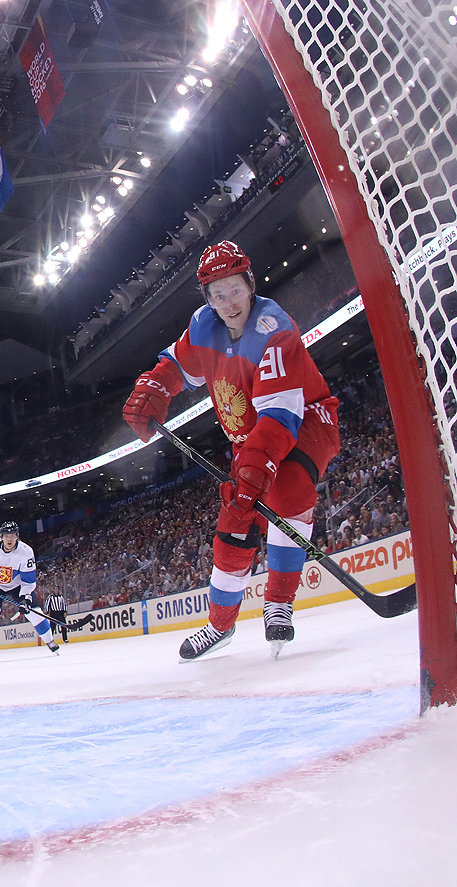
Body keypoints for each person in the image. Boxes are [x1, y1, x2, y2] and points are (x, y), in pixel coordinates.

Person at [123, 240, 340, 660]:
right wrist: (154, 387)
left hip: (305, 420)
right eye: (218, 294)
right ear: (208, 298)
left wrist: (256, 468)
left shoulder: (274, 329)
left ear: (250, 284)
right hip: (253, 437)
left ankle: (278, 602)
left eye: (235, 290)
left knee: (288, 489)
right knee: (235, 520)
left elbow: (280, 418)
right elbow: (176, 366)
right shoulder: (205, 324)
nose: (228, 302)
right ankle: (219, 625)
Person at [0, 521, 60, 660]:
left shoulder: (26, 552)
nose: (9, 539)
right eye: (6, 536)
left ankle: (50, 642)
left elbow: (28, 581)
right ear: (1, 537)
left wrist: (25, 598)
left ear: (17, 536)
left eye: (12, 535)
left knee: (34, 613)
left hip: (17, 586)